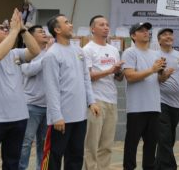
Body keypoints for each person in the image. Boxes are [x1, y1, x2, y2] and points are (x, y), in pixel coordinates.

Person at [0, 9, 41, 170]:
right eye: (1, 29)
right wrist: (13, 31)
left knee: (12, 162)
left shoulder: (15, 54)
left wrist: (22, 30)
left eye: (6, 28)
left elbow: (35, 51)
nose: (5, 29)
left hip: (19, 117)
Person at [42, 14, 100, 170]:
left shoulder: (79, 51)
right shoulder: (52, 55)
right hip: (61, 118)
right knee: (54, 157)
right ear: (57, 29)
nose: (71, 25)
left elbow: (86, 79)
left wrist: (91, 101)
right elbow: (51, 88)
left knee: (75, 157)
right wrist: (57, 116)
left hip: (79, 116)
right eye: (66, 22)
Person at [121, 22, 165, 170]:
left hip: (154, 106)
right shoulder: (129, 52)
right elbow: (130, 76)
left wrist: (164, 74)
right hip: (136, 108)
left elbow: (159, 79)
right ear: (133, 36)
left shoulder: (156, 54)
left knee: (151, 145)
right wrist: (152, 70)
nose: (146, 32)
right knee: (131, 144)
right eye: (141, 30)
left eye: (147, 30)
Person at [83, 15, 124, 170]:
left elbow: (117, 78)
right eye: (101, 25)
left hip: (112, 99)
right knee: (92, 144)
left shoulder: (113, 50)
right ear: (92, 29)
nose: (106, 27)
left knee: (107, 145)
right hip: (95, 100)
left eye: (107, 24)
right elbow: (87, 76)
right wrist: (110, 70)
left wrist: (118, 72)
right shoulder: (87, 49)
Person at [155, 27, 179, 170]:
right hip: (159, 102)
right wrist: (162, 76)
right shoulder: (154, 55)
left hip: (176, 104)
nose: (168, 36)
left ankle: (157, 166)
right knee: (165, 138)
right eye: (164, 35)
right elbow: (150, 76)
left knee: (168, 139)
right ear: (159, 40)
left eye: (170, 34)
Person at [20, 25, 53, 170]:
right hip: (31, 105)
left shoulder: (50, 53)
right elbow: (29, 71)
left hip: (49, 106)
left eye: (45, 32)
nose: (45, 34)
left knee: (44, 143)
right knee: (26, 142)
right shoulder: (25, 54)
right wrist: (48, 55)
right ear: (31, 37)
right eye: (40, 32)